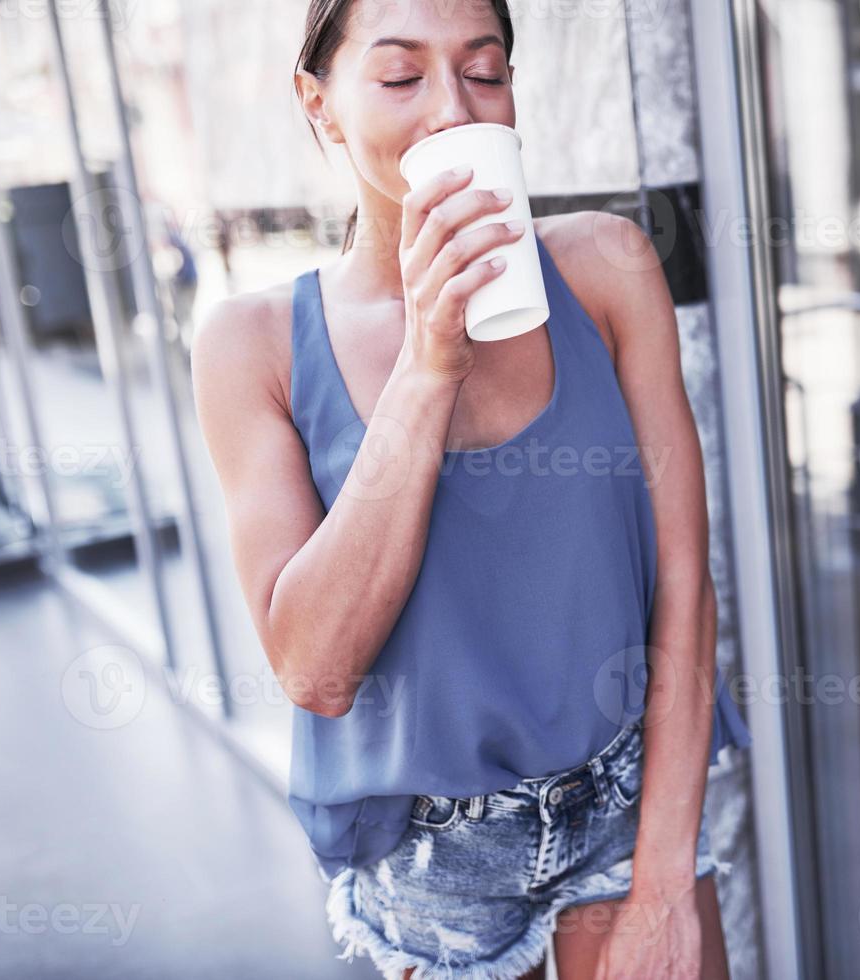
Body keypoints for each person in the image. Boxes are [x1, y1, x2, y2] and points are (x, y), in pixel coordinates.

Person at [189, 2, 750, 977]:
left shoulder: (608, 267)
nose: (453, 111)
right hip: (434, 861)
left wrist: (662, 884)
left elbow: (685, 585)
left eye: (484, 72)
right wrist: (426, 363)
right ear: (318, 106)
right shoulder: (253, 346)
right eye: (402, 77)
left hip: (629, 807)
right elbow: (316, 667)